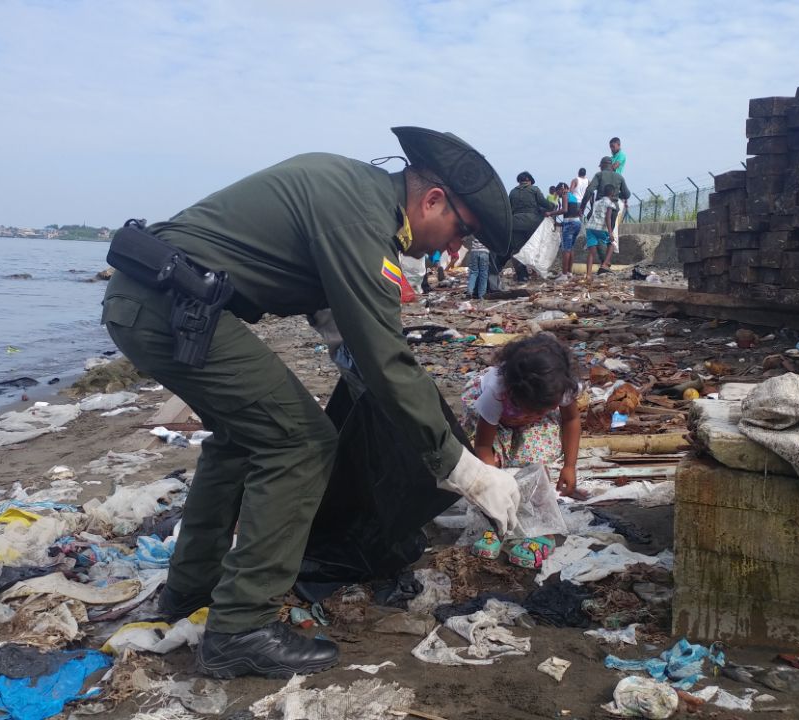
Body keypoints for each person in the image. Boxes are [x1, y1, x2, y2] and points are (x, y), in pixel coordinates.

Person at [100, 127, 522, 679]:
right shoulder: (360, 219)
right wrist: (461, 466)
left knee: (241, 441)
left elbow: (343, 323)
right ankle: (240, 629)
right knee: (301, 444)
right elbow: (384, 352)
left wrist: (374, 387)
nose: (455, 250)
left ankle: (191, 590)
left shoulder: (354, 193)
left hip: (157, 302)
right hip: (168, 309)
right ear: (433, 200)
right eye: (461, 231)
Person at [460, 333, 581, 497]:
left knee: (542, 451)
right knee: (489, 463)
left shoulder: (561, 386)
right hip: (491, 417)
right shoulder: (496, 392)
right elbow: (483, 445)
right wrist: (493, 484)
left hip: (522, 414)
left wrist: (569, 466)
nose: (538, 415)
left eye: (543, 411)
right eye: (533, 411)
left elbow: (571, 419)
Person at [496, 171, 556, 286]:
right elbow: (544, 203)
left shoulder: (513, 192)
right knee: (535, 248)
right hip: (533, 223)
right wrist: (552, 206)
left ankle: (522, 276)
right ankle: (536, 272)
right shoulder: (534, 189)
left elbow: (508, 208)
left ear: (519, 181)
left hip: (516, 223)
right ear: (529, 180)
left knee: (517, 250)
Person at [581, 156, 631, 274]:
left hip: (599, 210)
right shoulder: (619, 177)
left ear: (603, 165)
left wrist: (582, 207)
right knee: (609, 237)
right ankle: (605, 264)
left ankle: (602, 265)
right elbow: (627, 194)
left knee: (597, 237)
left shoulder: (599, 175)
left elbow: (589, 191)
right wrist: (616, 196)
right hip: (613, 210)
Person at [545, 183, 582, 280]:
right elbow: (572, 213)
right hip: (577, 223)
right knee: (571, 248)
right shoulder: (574, 197)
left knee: (566, 249)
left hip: (570, 225)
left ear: (562, 189)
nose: (559, 195)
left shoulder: (565, 195)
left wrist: (550, 213)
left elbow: (564, 210)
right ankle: (569, 272)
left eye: (558, 192)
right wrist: (561, 224)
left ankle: (564, 275)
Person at [583, 183, 620, 278]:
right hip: (600, 228)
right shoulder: (610, 204)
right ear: (612, 193)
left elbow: (592, 214)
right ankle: (604, 264)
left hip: (590, 227)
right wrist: (610, 232)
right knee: (612, 244)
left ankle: (588, 275)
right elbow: (608, 218)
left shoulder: (597, 202)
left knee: (591, 252)